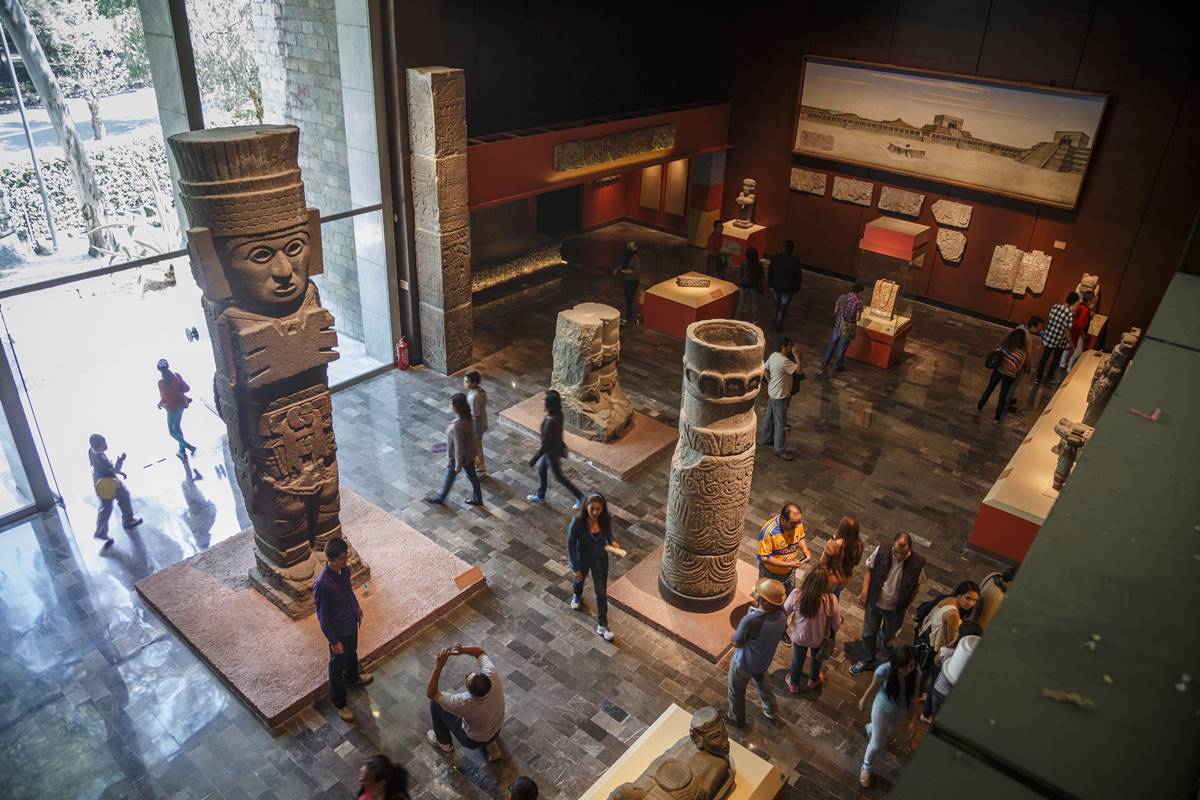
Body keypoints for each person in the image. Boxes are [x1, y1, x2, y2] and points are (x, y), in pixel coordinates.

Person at [850, 532, 926, 674]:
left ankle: (882, 640)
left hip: (896, 609)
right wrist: (865, 591)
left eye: (902, 554)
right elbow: (869, 571)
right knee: (868, 633)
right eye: (896, 552)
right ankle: (868, 659)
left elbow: (916, 587)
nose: (898, 556)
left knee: (889, 634)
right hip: (875, 601)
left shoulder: (917, 563)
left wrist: (906, 605)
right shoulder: (882, 550)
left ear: (910, 549)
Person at [314, 537, 372, 722]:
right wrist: (333, 641)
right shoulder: (322, 585)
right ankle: (340, 703)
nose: (345, 561)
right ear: (329, 559)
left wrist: (356, 608)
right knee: (336, 667)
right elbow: (323, 617)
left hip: (351, 623)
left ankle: (353, 678)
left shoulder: (344, 571)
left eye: (345, 557)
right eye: (341, 558)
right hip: (338, 631)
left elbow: (348, 592)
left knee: (352, 654)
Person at [856, 644, 921, 788]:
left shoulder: (916, 673)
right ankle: (866, 767)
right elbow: (873, 686)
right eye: (905, 667)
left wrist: (914, 720)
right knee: (877, 744)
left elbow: (915, 697)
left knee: (888, 734)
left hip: (900, 712)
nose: (909, 670)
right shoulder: (884, 669)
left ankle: (871, 727)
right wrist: (864, 699)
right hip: (882, 709)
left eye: (912, 665)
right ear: (896, 665)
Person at [426, 643, 505, 762]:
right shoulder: (492, 675)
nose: (467, 674)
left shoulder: (464, 702)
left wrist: (439, 664)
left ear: (471, 693)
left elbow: (431, 693)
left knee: (436, 704)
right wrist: (463, 650)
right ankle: (491, 744)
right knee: (485, 717)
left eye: (467, 680)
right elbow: (479, 652)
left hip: (472, 740)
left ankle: (444, 743)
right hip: (496, 729)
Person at [726, 578, 787, 727]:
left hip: (744, 663)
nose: (754, 592)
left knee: (736, 690)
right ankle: (771, 712)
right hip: (764, 659)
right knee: (763, 684)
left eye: (756, 592)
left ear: (763, 601)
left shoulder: (751, 620)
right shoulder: (782, 614)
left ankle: (736, 718)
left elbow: (737, 641)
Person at [568, 493, 621, 641]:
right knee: (579, 580)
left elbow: (609, 533)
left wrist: (612, 541)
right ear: (586, 507)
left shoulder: (605, 519)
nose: (596, 512)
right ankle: (577, 595)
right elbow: (571, 545)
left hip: (600, 559)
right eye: (593, 509)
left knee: (601, 591)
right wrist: (574, 566)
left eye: (599, 509)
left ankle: (603, 624)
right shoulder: (577, 522)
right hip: (582, 558)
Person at [783, 565, 840, 693]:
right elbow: (836, 625)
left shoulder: (797, 595)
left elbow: (784, 612)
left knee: (797, 660)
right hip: (819, 639)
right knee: (816, 660)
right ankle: (813, 680)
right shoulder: (832, 600)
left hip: (799, 637)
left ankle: (793, 684)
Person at [526, 389, 583, 508]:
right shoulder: (559, 414)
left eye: (545, 401)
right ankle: (540, 496)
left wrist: (533, 459)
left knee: (559, 477)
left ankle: (581, 497)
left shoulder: (550, 421)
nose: (543, 402)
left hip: (551, 453)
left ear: (549, 404)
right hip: (555, 450)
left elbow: (545, 445)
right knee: (541, 471)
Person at [425, 393, 483, 506]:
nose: (450, 405)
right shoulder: (468, 418)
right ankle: (478, 498)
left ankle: (441, 498)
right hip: (470, 454)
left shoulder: (458, 425)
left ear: (457, 407)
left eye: (451, 404)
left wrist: (458, 465)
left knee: (451, 477)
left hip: (459, 458)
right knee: (472, 477)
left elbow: (459, 447)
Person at [88, 433, 142, 546]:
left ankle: (100, 531)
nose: (106, 446)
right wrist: (120, 461)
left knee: (106, 506)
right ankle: (128, 520)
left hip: (99, 483)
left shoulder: (91, 451)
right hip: (109, 482)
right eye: (103, 445)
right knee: (124, 497)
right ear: (97, 446)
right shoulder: (102, 459)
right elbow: (115, 470)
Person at [923, 622, 982, 721]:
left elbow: (936, 661)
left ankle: (926, 715)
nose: (955, 632)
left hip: (938, 688)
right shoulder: (970, 658)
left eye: (957, 631)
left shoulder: (947, 651)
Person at [756, 503, 812, 597]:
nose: (797, 525)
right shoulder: (768, 532)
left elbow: (801, 537)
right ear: (783, 519)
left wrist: (806, 551)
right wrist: (788, 564)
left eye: (799, 521)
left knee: (788, 597)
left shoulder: (797, 523)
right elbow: (765, 557)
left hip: (789, 572)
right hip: (771, 574)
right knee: (767, 600)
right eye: (793, 523)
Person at [758, 338, 801, 460]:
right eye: (789, 346)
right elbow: (799, 370)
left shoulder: (773, 356)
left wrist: (769, 381)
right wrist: (797, 355)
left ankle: (765, 439)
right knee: (780, 424)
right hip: (781, 396)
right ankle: (780, 450)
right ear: (784, 346)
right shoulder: (784, 361)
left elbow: (765, 369)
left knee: (768, 417)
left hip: (773, 392)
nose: (790, 349)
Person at [976, 327, 1027, 423]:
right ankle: (997, 418)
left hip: (998, 371)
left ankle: (979, 408)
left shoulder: (1004, 346)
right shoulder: (1022, 353)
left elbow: (994, 354)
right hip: (1009, 376)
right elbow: (1019, 367)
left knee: (989, 389)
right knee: (1002, 396)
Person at [156, 358, 197, 460]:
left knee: (172, 431)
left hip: (171, 409)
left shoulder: (161, 383)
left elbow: (164, 397)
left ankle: (190, 447)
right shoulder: (176, 376)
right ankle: (182, 452)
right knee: (177, 427)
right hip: (181, 405)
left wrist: (160, 403)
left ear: (159, 370)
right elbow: (187, 388)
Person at [821, 284, 864, 374]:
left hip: (838, 324)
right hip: (848, 327)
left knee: (832, 343)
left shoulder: (842, 297)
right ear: (859, 292)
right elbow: (858, 318)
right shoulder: (858, 302)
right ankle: (838, 365)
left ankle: (825, 361)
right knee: (842, 347)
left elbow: (835, 311)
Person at [818, 515, 864, 599]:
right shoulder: (859, 545)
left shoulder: (833, 545)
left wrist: (828, 545)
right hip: (845, 578)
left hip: (831, 579)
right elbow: (856, 562)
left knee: (824, 600)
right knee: (835, 597)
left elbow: (822, 563)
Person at [1037, 292, 1076, 385]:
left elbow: (1050, 318)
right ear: (1074, 302)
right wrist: (1070, 342)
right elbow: (1067, 329)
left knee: (1044, 357)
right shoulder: (1069, 313)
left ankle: (1038, 377)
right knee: (1055, 360)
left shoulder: (1055, 306)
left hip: (1049, 337)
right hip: (1059, 341)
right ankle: (1049, 378)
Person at [1007, 316, 1044, 413]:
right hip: (1018, 364)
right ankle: (1006, 404)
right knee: (1013, 384)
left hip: (1011, 360)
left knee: (1010, 384)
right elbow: (1026, 353)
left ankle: (1006, 401)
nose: (1040, 330)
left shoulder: (1020, 327)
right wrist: (1028, 366)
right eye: (1039, 328)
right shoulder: (1027, 336)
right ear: (1033, 326)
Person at [767, 240, 802, 331]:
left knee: (776, 304)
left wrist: (770, 284)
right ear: (792, 250)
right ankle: (777, 324)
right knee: (783, 307)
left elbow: (770, 272)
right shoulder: (795, 261)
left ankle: (775, 320)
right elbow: (798, 276)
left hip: (776, 285)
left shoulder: (775, 258)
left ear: (783, 248)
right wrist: (797, 288)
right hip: (788, 288)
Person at [973, 566, 1017, 632]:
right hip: (974, 624)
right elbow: (982, 626)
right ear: (1009, 583)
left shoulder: (994, 575)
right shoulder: (995, 598)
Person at [465, 371, 488, 478]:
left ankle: (480, 465)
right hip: (479, 425)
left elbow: (476, 414)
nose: (465, 383)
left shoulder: (475, 396)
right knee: (476, 445)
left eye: (467, 381)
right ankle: (478, 464)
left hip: (476, 427)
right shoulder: (479, 391)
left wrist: (465, 413)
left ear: (474, 383)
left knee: (476, 446)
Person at [735, 247, 764, 324]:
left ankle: (736, 318)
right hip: (754, 286)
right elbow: (761, 276)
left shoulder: (744, 263)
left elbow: (739, 275)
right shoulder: (759, 264)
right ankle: (755, 319)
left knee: (740, 303)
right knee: (755, 304)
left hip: (743, 285)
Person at [614, 241, 641, 324]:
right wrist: (617, 269)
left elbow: (637, 271)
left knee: (629, 299)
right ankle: (629, 314)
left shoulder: (635, 259)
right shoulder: (627, 256)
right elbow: (623, 264)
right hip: (627, 280)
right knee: (627, 298)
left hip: (633, 281)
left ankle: (628, 318)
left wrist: (630, 271)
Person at [1067, 290, 1091, 370]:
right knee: (1077, 352)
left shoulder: (1079, 306)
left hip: (1073, 329)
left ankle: (1064, 365)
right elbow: (1080, 323)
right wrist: (1082, 333)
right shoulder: (1085, 309)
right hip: (1078, 331)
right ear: (1090, 300)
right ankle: (1069, 368)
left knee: (1069, 348)